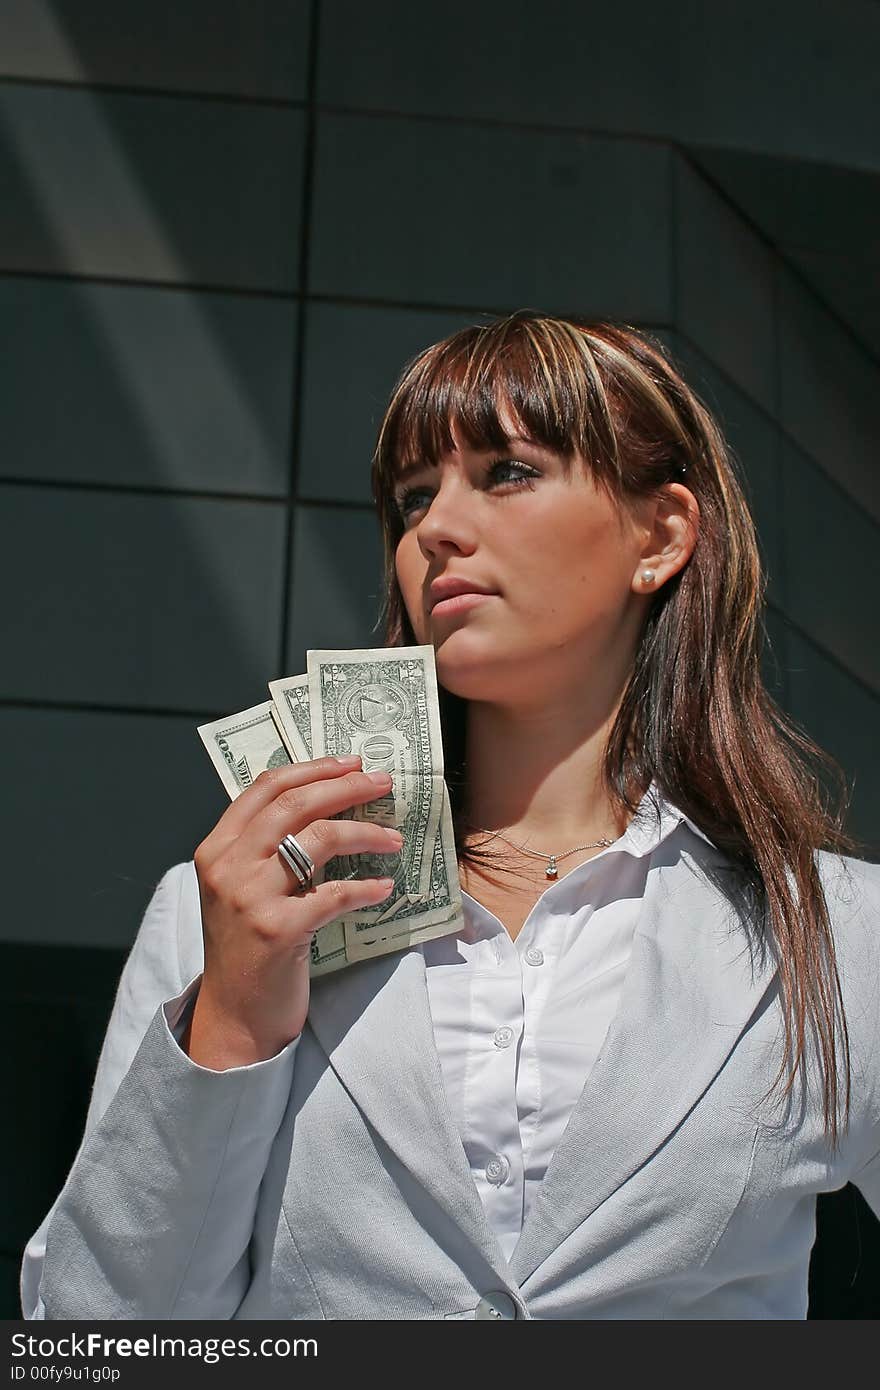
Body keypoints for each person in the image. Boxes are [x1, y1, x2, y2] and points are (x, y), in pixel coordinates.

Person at [22, 311, 880, 1320]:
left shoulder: (840, 931)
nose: (433, 528)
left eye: (508, 470)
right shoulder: (229, 907)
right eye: (412, 497)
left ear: (660, 535)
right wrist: (233, 1026)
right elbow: (101, 1336)